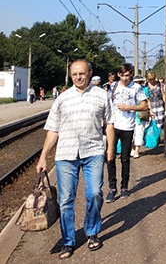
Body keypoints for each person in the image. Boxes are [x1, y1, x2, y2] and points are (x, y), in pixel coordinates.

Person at [36, 59, 115, 259]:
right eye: (74, 75)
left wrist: (111, 149)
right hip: (66, 154)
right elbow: (53, 130)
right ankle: (68, 241)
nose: (78, 77)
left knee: (95, 193)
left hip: (93, 151)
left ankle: (92, 232)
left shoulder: (102, 95)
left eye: (81, 73)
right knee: (65, 200)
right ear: (70, 76)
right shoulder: (62, 99)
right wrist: (43, 157)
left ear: (89, 73)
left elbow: (110, 124)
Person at [106, 63, 147, 203]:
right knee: (110, 156)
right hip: (112, 125)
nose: (124, 78)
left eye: (127, 75)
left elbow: (144, 106)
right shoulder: (113, 86)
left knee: (124, 158)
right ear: (118, 75)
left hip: (128, 126)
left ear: (131, 75)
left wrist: (129, 107)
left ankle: (124, 187)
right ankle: (112, 187)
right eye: (122, 75)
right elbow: (107, 103)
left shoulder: (137, 88)